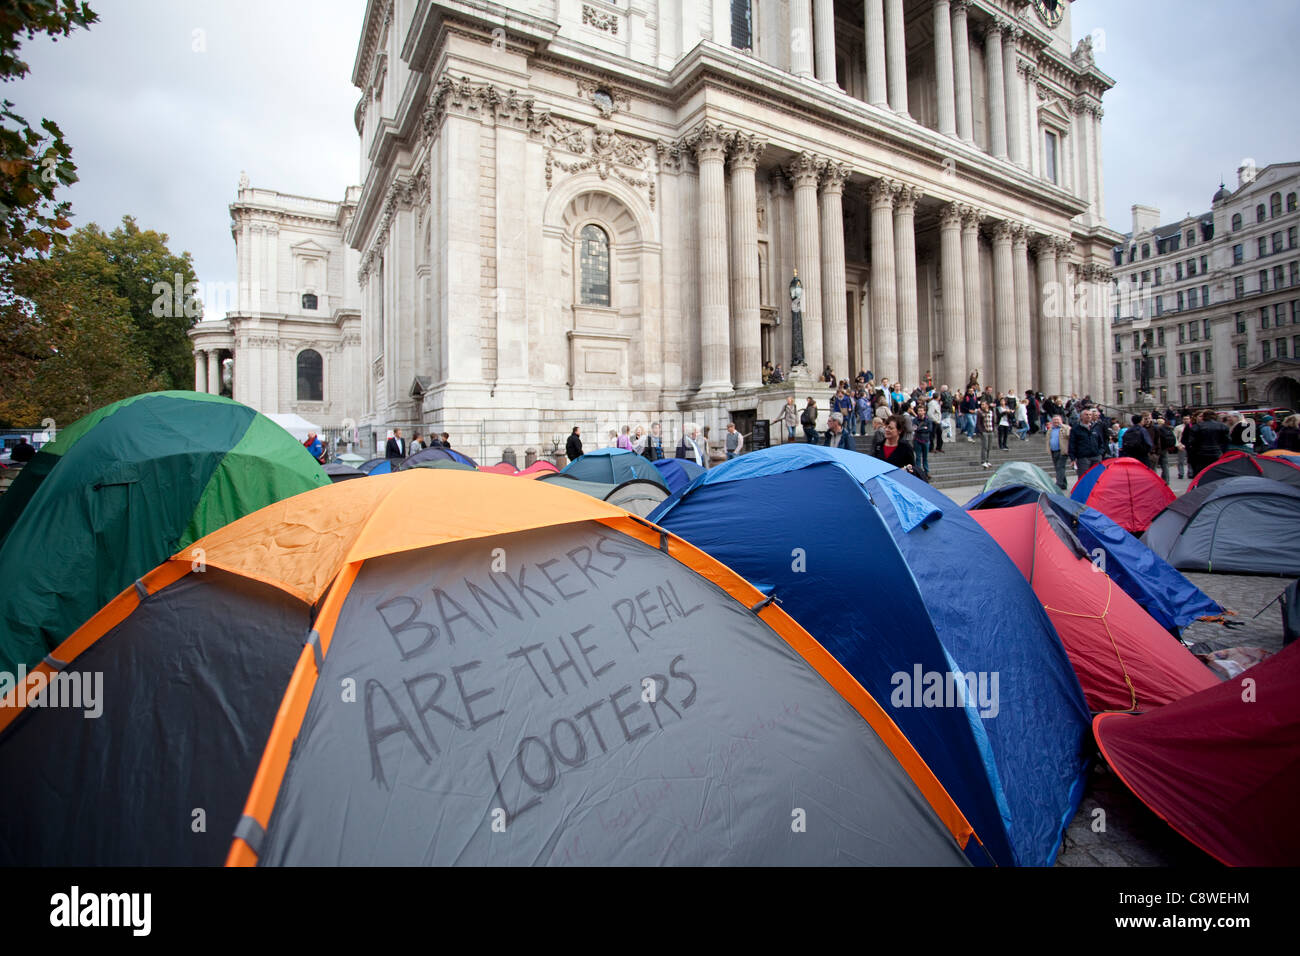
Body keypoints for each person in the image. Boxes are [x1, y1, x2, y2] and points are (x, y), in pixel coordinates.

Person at [1185, 409, 1229, 476]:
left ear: (1204, 417)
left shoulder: (1197, 427)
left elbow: (1192, 442)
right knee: (1216, 474)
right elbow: (1226, 440)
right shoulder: (1222, 426)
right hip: (1216, 452)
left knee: (1201, 474)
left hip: (1200, 454)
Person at [1068, 410, 1103, 479]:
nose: (1088, 416)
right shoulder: (1075, 429)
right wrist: (1072, 458)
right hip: (1083, 458)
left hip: (1096, 457)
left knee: (1097, 478)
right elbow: (1072, 444)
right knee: (1083, 478)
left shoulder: (1096, 427)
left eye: (1090, 415)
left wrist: (1100, 452)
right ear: (1081, 417)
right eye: (1086, 415)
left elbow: (1101, 441)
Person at [1045, 415, 1068, 490]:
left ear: (1061, 420)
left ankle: (1058, 484)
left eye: (1057, 420)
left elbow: (1069, 435)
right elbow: (1048, 439)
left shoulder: (1065, 428)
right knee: (1058, 467)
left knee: (1060, 467)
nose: (1056, 422)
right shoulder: (1050, 430)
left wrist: (1063, 426)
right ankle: (1064, 484)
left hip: (1062, 451)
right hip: (1053, 451)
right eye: (1054, 420)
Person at [976, 401, 995, 468]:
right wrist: (981, 431)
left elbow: (992, 421)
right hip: (984, 431)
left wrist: (993, 429)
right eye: (981, 404)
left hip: (990, 430)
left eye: (983, 404)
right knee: (984, 447)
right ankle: (983, 461)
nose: (982, 406)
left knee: (989, 447)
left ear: (987, 405)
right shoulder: (980, 412)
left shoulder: (991, 412)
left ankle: (987, 460)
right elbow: (978, 423)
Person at [1173, 415, 1189, 480]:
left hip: (1190, 446)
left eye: (1187, 419)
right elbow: (1175, 437)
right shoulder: (1178, 427)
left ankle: (1190, 472)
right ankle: (1181, 473)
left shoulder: (1192, 426)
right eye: (1185, 419)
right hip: (1181, 445)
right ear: (1182, 420)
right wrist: (1177, 445)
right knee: (1181, 461)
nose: (1186, 420)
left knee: (1190, 460)